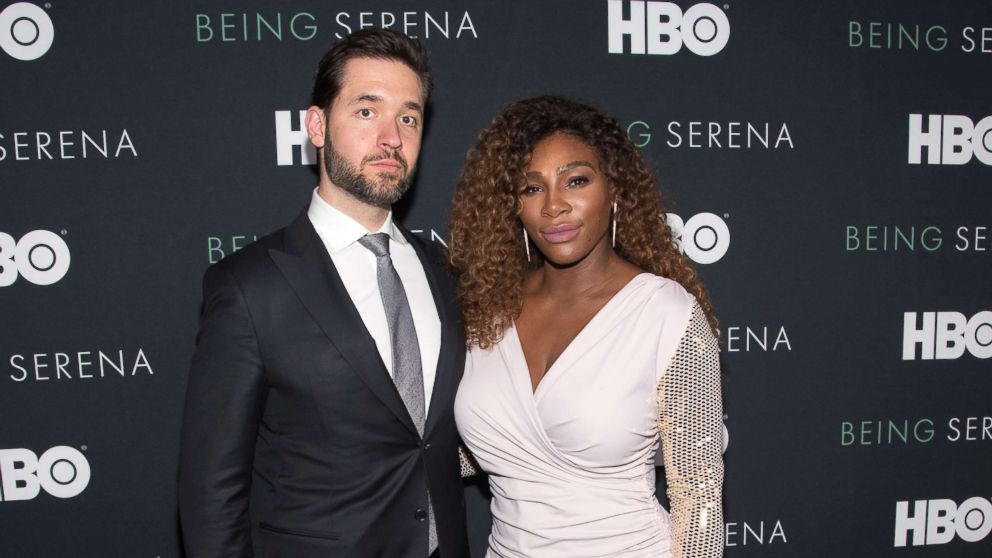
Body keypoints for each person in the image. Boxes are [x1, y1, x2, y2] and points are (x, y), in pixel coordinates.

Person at [178, 28, 468, 558]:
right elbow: (210, 493)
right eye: (366, 111)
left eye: (409, 117)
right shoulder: (249, 286)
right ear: (317, 125)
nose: (391, 137)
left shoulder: (442, 272)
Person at [449, 96, 724, 557]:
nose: (554, 206)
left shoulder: (665, 314)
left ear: (614, 188)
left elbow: (698, 495)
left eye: (575, 180)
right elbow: (486, 449)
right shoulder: (487, 310)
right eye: (531, 188)